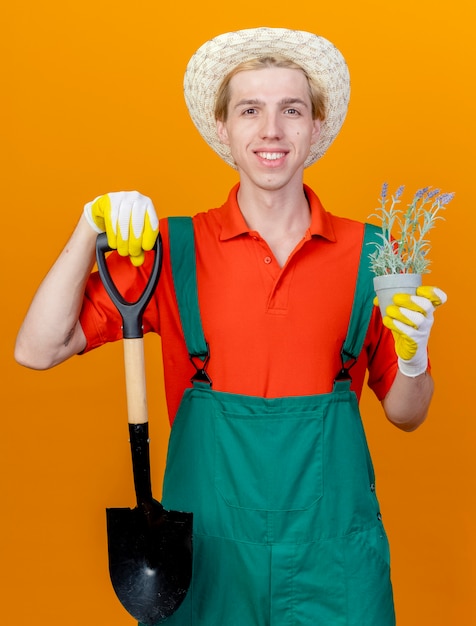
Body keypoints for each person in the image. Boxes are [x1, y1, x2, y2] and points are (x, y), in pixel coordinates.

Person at [15, 27, 446, 626]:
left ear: (315, 127)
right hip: (208, 565)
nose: (271, 131)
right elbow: (36, 349)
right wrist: (90, 226)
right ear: (224, 128)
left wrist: (414, 357)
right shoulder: (173, 250)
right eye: (250, 110)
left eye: (291, 110)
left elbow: (407, 413)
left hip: (335, 567)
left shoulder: (372, 254)